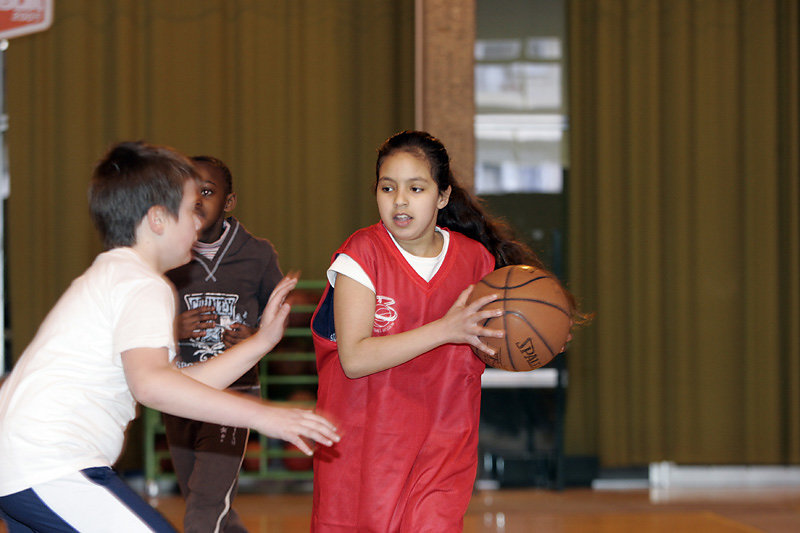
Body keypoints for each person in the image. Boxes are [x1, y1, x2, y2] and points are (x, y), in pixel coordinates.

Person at [0, 141, 339, 533]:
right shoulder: (142, 283)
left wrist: (260, 342)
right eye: (190, 209)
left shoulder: (114, 275)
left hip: (20, 464)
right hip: (49, 465)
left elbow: (174, 381)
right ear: (158, 220)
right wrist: (265, 416)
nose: (198, 221)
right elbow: (152, 386)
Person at [310, 130, 579, 532]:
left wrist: (540, 336)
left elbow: (487, 347)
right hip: (365, 449)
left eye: (415, 188)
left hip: (443, 447)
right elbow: (355, 358)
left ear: (441, 196)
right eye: (388, 188)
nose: (400, 200)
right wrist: (445, 329)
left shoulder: (476, 262)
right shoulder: (361, 256)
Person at [162, 155, 282, 532]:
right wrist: (173, 328)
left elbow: (280, 313)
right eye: (188, 193)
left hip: (234, 392)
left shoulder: (258, 254)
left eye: (208, 192)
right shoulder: (166, 254)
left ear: (229, 202)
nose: (197, 201)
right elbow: (141, 318)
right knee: (208, 504)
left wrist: (258, 337)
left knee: (206, 502)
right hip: (178, 390)